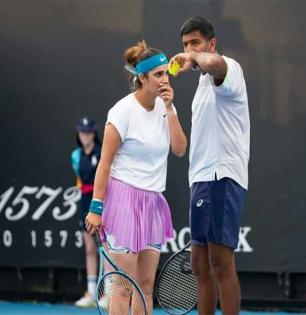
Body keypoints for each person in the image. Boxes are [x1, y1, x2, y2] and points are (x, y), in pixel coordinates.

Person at [85, 40, 187, 314]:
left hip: (152, 203)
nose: (165, 79)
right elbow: (104, 163)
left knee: (145, 284)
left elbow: (179, 149)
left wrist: (169, 108)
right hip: (122, 202)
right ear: (141, 78)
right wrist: (96, 207)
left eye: (166, 73)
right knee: (120, 287)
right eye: (158, 74)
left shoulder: (167, 108)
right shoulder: (122, 111)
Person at [169, 16, 250, 314]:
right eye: (185, 44)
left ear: (211, 44)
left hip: (223, 175)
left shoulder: (228, 69)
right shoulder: (201, 85)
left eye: (195, 43)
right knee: (200, 265)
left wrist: (193, 58)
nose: (189, 49)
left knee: (221, 262)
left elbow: (214, 65)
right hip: (201, 178)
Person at [71, 117, 102, 307]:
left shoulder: (101, 153)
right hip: (84, 203)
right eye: (82, 132)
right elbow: (79, 179)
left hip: (101, 202)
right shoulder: (75, 156)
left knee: (105, 248)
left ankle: (108, 293)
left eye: (89, 132)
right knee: (90, 248)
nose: (85, 135)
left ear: (94, 133)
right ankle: (91, 293)